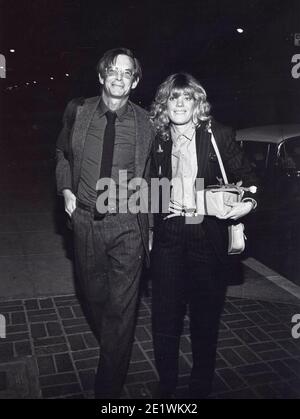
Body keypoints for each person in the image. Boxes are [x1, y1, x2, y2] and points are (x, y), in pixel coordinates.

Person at [149, 73, 257, 398]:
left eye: (187, 98)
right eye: (173, 98)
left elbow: (248, 178)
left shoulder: (218, 136)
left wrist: (248, 203)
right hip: (169, 236)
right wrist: (156, 209)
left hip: (206, 237)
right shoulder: (157, 139)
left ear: (198, 103)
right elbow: (145, 186)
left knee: (205, 319)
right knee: (165, 319)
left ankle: (201, 386)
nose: (179, 104)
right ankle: (166, 386)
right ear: (164, 105)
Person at [56, 48, 153, 398]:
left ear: (135, 81)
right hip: (85, 220)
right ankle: (114, 342)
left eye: (126, 73)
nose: (118, 77)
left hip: (128, 223)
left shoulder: (146, 123)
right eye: (112, 70)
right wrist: (66, 190)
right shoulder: (79, 112)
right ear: (101, 76)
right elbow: (63, 154)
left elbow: (163, 168)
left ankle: (108, 387)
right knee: (94, 296)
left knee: (123, 308)